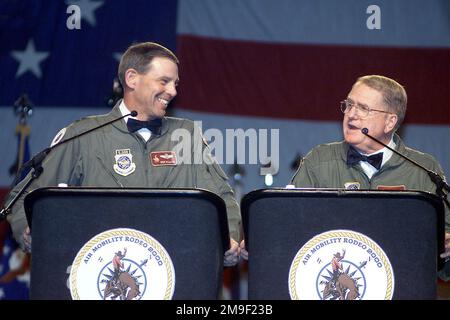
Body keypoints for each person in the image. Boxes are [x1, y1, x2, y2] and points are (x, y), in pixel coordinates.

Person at [5, 42, 241, 267]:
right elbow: (22, 196)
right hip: (102, 276)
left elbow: (222, 197)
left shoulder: (187, 135)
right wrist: (27, 228)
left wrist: (229, 238)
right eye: (164, 81)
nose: (172, 91)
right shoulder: (83, 135)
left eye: (176, 84)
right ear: (132, 79)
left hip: (179, 272)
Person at [289, 75, 450, 270]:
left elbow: (444, 246)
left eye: (363, 108)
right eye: (349, 105)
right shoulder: (319, 161)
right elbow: (291, 226)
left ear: (390, 122)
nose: (351, 114)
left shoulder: (424, 170)